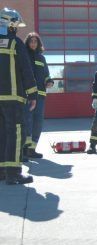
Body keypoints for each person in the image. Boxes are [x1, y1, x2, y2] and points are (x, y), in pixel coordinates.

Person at [0, 7, 37, 184]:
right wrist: (33, 94)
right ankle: (13, 173)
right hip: (13, 98)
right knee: (15, 134)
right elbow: (25, 70)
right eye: (15, 25)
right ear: (10, 24)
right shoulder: (15, 43)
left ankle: (1, 172)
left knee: (1, 133)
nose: (16, 29)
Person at [23, 32, 54, 159]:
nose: (33, 44)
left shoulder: (42, 58)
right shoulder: (23, 56)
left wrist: (49, 81)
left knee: (38, 123)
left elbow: (46, 74)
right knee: (27, 121)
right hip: (28, 95)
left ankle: (32, 149)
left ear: (38, 43)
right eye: (31, 41)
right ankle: (24, 149)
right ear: (28, 43)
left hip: (40, 95)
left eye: (35, 41)